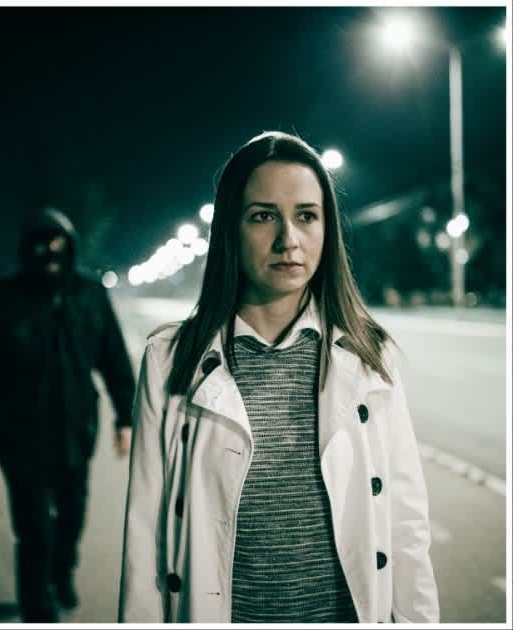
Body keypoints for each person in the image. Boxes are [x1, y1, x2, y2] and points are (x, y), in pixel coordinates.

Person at [118, 131, 438, 623]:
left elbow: (406, 526)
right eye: (263, 216)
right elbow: (145, 536)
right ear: (230, 228)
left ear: (326, 229)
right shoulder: (171, 360)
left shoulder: (368, 356)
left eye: (306, 215)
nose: (288, 238)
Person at [0, 207, 136, 622]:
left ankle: (62, 572)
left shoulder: (89, 295)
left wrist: (125, 418)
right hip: (19, 437)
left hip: (76, 432)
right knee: (34, 529)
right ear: (26, 248)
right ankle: (38, 607)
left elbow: (114, 360)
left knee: (72, 518)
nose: (49, 252)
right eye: (40, 243)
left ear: (69, 246)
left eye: (57, 243)